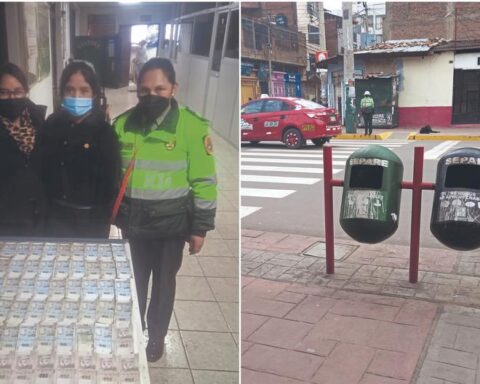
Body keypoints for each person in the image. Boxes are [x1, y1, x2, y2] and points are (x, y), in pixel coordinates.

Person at [113, 58, 217, 362]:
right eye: (144, 90)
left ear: (174, 88)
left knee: (162, 286)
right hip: (131, 225)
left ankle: (156, 338)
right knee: (132, 284)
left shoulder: (192, 127)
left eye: (160, 88)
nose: (152, 95)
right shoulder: (121, 125)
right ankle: (133, 331)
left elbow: (204, 181)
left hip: (171, 228)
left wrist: (200, 228)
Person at [40, 60, 120, 238]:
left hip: (92, 220)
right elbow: (43, 170)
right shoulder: (50, 126)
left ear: (94, 95)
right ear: (62, 93)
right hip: (56, 218)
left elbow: (110, 184)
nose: (76, 96)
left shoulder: (105, 133)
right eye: (70, 90)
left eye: (84, 91)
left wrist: (102, 219)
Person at [0, 62, 47, 236]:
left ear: (26, 92)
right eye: (4, 92)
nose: (12, 98)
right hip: (6, 220)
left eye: (17, 91)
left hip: (39, 215)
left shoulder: (38, 121)